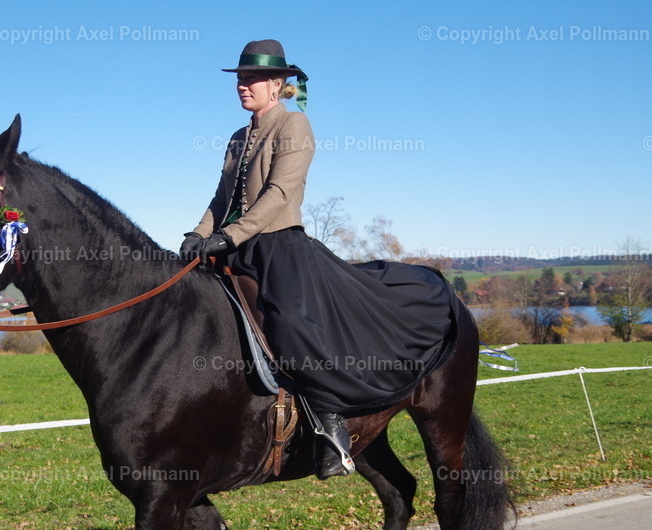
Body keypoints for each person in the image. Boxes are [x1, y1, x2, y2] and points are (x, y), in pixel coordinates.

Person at [182, 39, 457, 479]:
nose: (243, 86)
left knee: (291, 321)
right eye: (240, 79)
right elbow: (221, 198)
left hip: (277, 246)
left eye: (252, 79)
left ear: (277, 84)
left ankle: (331, 430)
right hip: (231, 246)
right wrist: (197, 235)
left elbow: (279, 193)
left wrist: (228, 236)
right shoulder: (238, 138)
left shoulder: (294, 126)